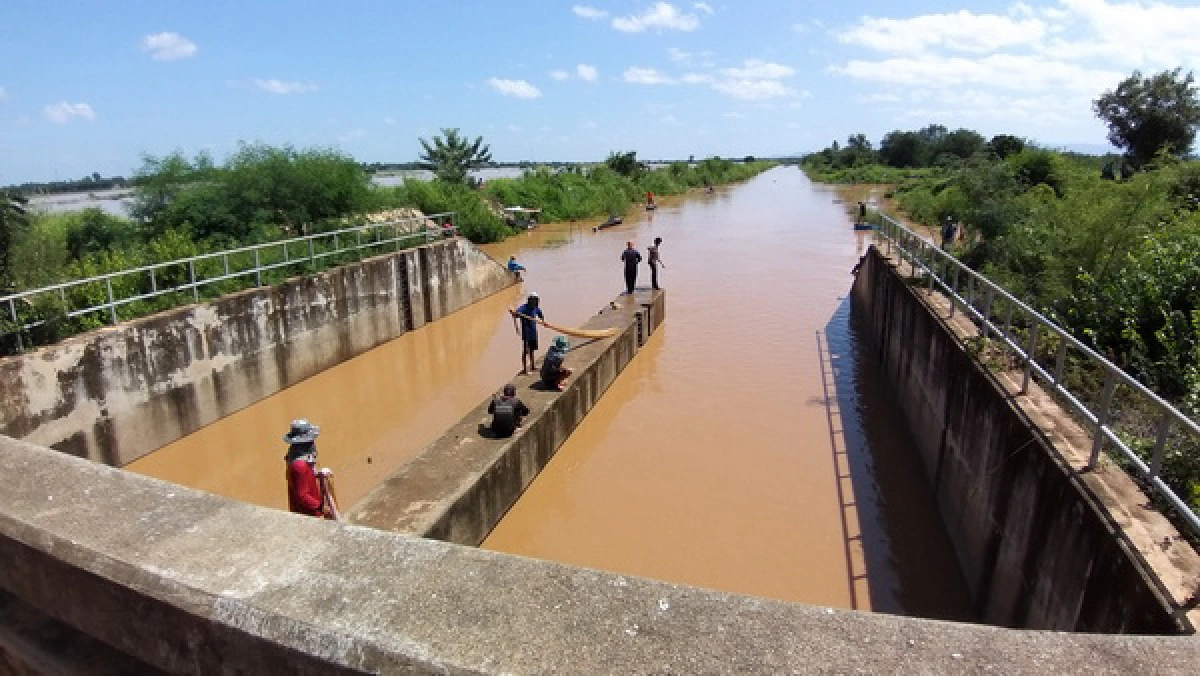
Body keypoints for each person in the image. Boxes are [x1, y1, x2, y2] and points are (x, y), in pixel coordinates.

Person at [283, 419, 331, 519]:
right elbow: (302, 495)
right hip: (308, 513)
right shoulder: (299, 465)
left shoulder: (297, 458)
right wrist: (320, 506)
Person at [511, 292, 544, 374]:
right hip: (526, 334)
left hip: (533, 333)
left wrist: (543, 322)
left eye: (536, 300)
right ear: (529, 300)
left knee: (532, 350)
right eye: (533, 300)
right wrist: (513, 313)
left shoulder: (536, 308)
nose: (534, 302)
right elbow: (516, 314)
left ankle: (533, 366)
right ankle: (525, 370)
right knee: (526, 351)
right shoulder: (524, 308)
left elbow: (541, 315)